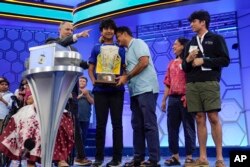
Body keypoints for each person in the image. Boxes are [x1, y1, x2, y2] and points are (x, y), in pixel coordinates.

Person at [182, 10, 230, 167]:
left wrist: (205, 60)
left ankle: (219, 158)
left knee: (213, 118)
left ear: (203, 22)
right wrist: (188, 59)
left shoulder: (216, 39)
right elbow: (184, 67)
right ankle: (202, 158)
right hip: (192, 84)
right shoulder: (190, 43)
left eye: (194, 21)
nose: (191, 24)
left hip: (210, 82)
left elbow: (225, 60)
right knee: (199, 118)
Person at [46, 21, 91, 165]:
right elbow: (60, 45)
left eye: (72, 30)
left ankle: (80, 156)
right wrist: (78, 35)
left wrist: (95, 62)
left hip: (71, 92)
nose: (69, 31)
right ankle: (54, 156)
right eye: (67, 29)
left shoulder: (74, 50)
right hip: (55, 92)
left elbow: (82, 63)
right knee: (55, 125)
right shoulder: (51, 42)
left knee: (75, 124)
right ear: (59, 29)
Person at [116, 26, 160, 167]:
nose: (117, 40)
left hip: (146, 89)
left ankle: (153, 159)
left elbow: (144, 62)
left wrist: (127, 76)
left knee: (149, 124)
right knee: (137, 126)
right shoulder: (128, 51)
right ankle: (138, 158)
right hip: (135, 92)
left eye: (118, 37)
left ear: (124, 34)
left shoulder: (138, 43)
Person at [0, 92, 74, 167]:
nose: (30, 98)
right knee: (27, 129)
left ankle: (61, 159)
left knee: (59, 126)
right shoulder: (24, 110)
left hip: (53, 112)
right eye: (29, 98)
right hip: (31, 125)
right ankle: (31, 160)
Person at [88, 19, 125, 167]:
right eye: (106, 29)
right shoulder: (96, 48)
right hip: (100, 91)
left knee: (117, 125)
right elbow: (91, 68)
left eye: (111, 29)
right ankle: (98, 158)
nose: (109, 31)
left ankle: (117, 158)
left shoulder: (121, 48)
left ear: (114, 31)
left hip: (117, 91)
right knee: (100, 125)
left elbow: (126, 68)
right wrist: (93, 80)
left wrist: (123, 78)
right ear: (102, 31)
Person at [161, 37, 196, 166]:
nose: (173, 46)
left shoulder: (190, 62)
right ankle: (174, 156)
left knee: (189, 127)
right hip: (172, 99)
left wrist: (189, 95)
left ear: (183, 46)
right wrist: (164, 100)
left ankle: (189, 156)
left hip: (186, 98)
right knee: (172, 128)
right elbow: (167, 83)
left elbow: (192, 80)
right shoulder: (171, 63)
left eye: (175, 44)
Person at [75, 76, 94, 166]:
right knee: (75, 137)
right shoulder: (73, 91)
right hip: (75, 118)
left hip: (85, 118)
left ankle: (81, 156)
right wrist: (79, 96)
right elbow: (70, 101)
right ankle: (75, 156)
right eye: (80, 81)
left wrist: (86, 95)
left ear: (86, 83)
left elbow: (93, 102)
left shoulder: (89, 92)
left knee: (83, 137)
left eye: (84, 81)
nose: (82, 82)